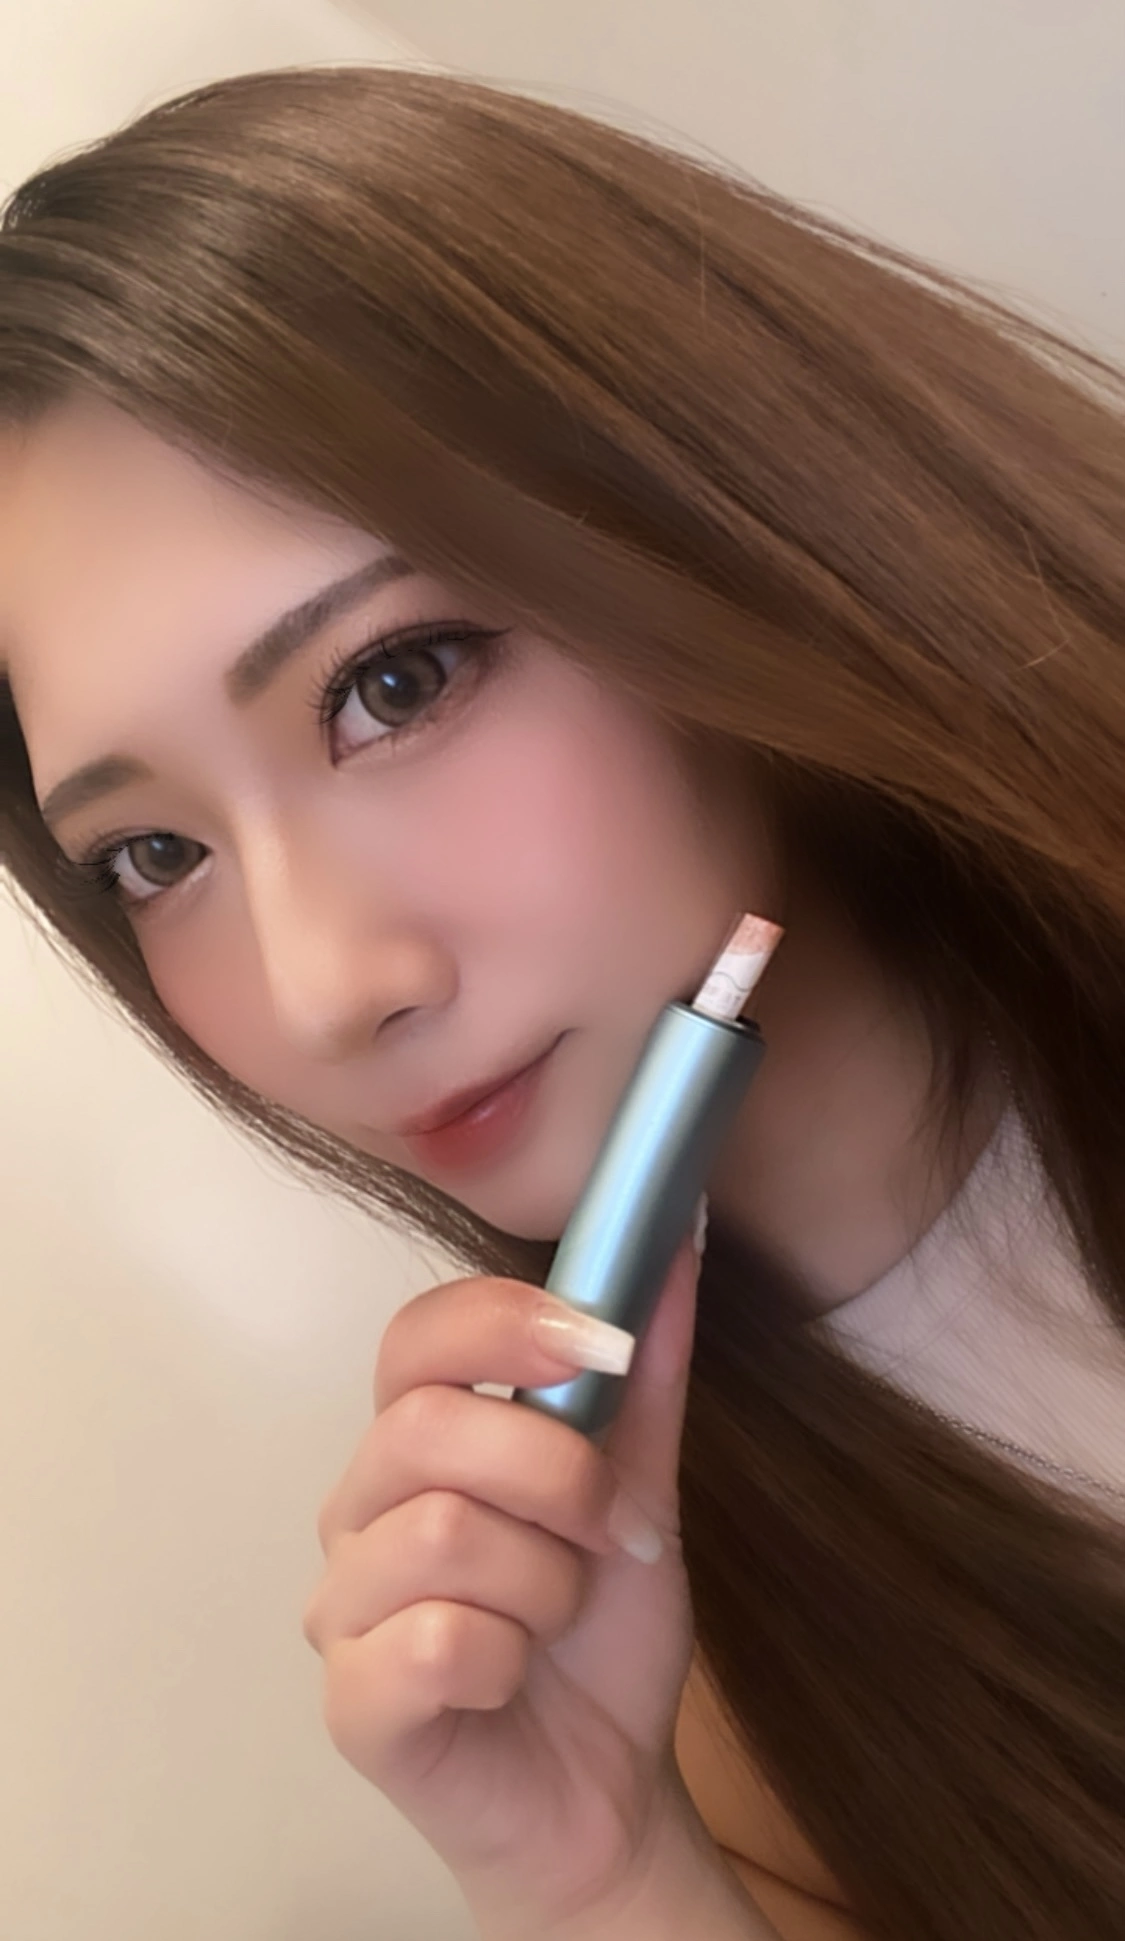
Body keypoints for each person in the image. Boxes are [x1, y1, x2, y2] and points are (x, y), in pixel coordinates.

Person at [1, 64, 1123, 1941]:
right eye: (156, 855)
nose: (322, 989)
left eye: (394, 682)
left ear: (708, 513)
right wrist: (596, 1881)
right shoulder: (708, 1699)